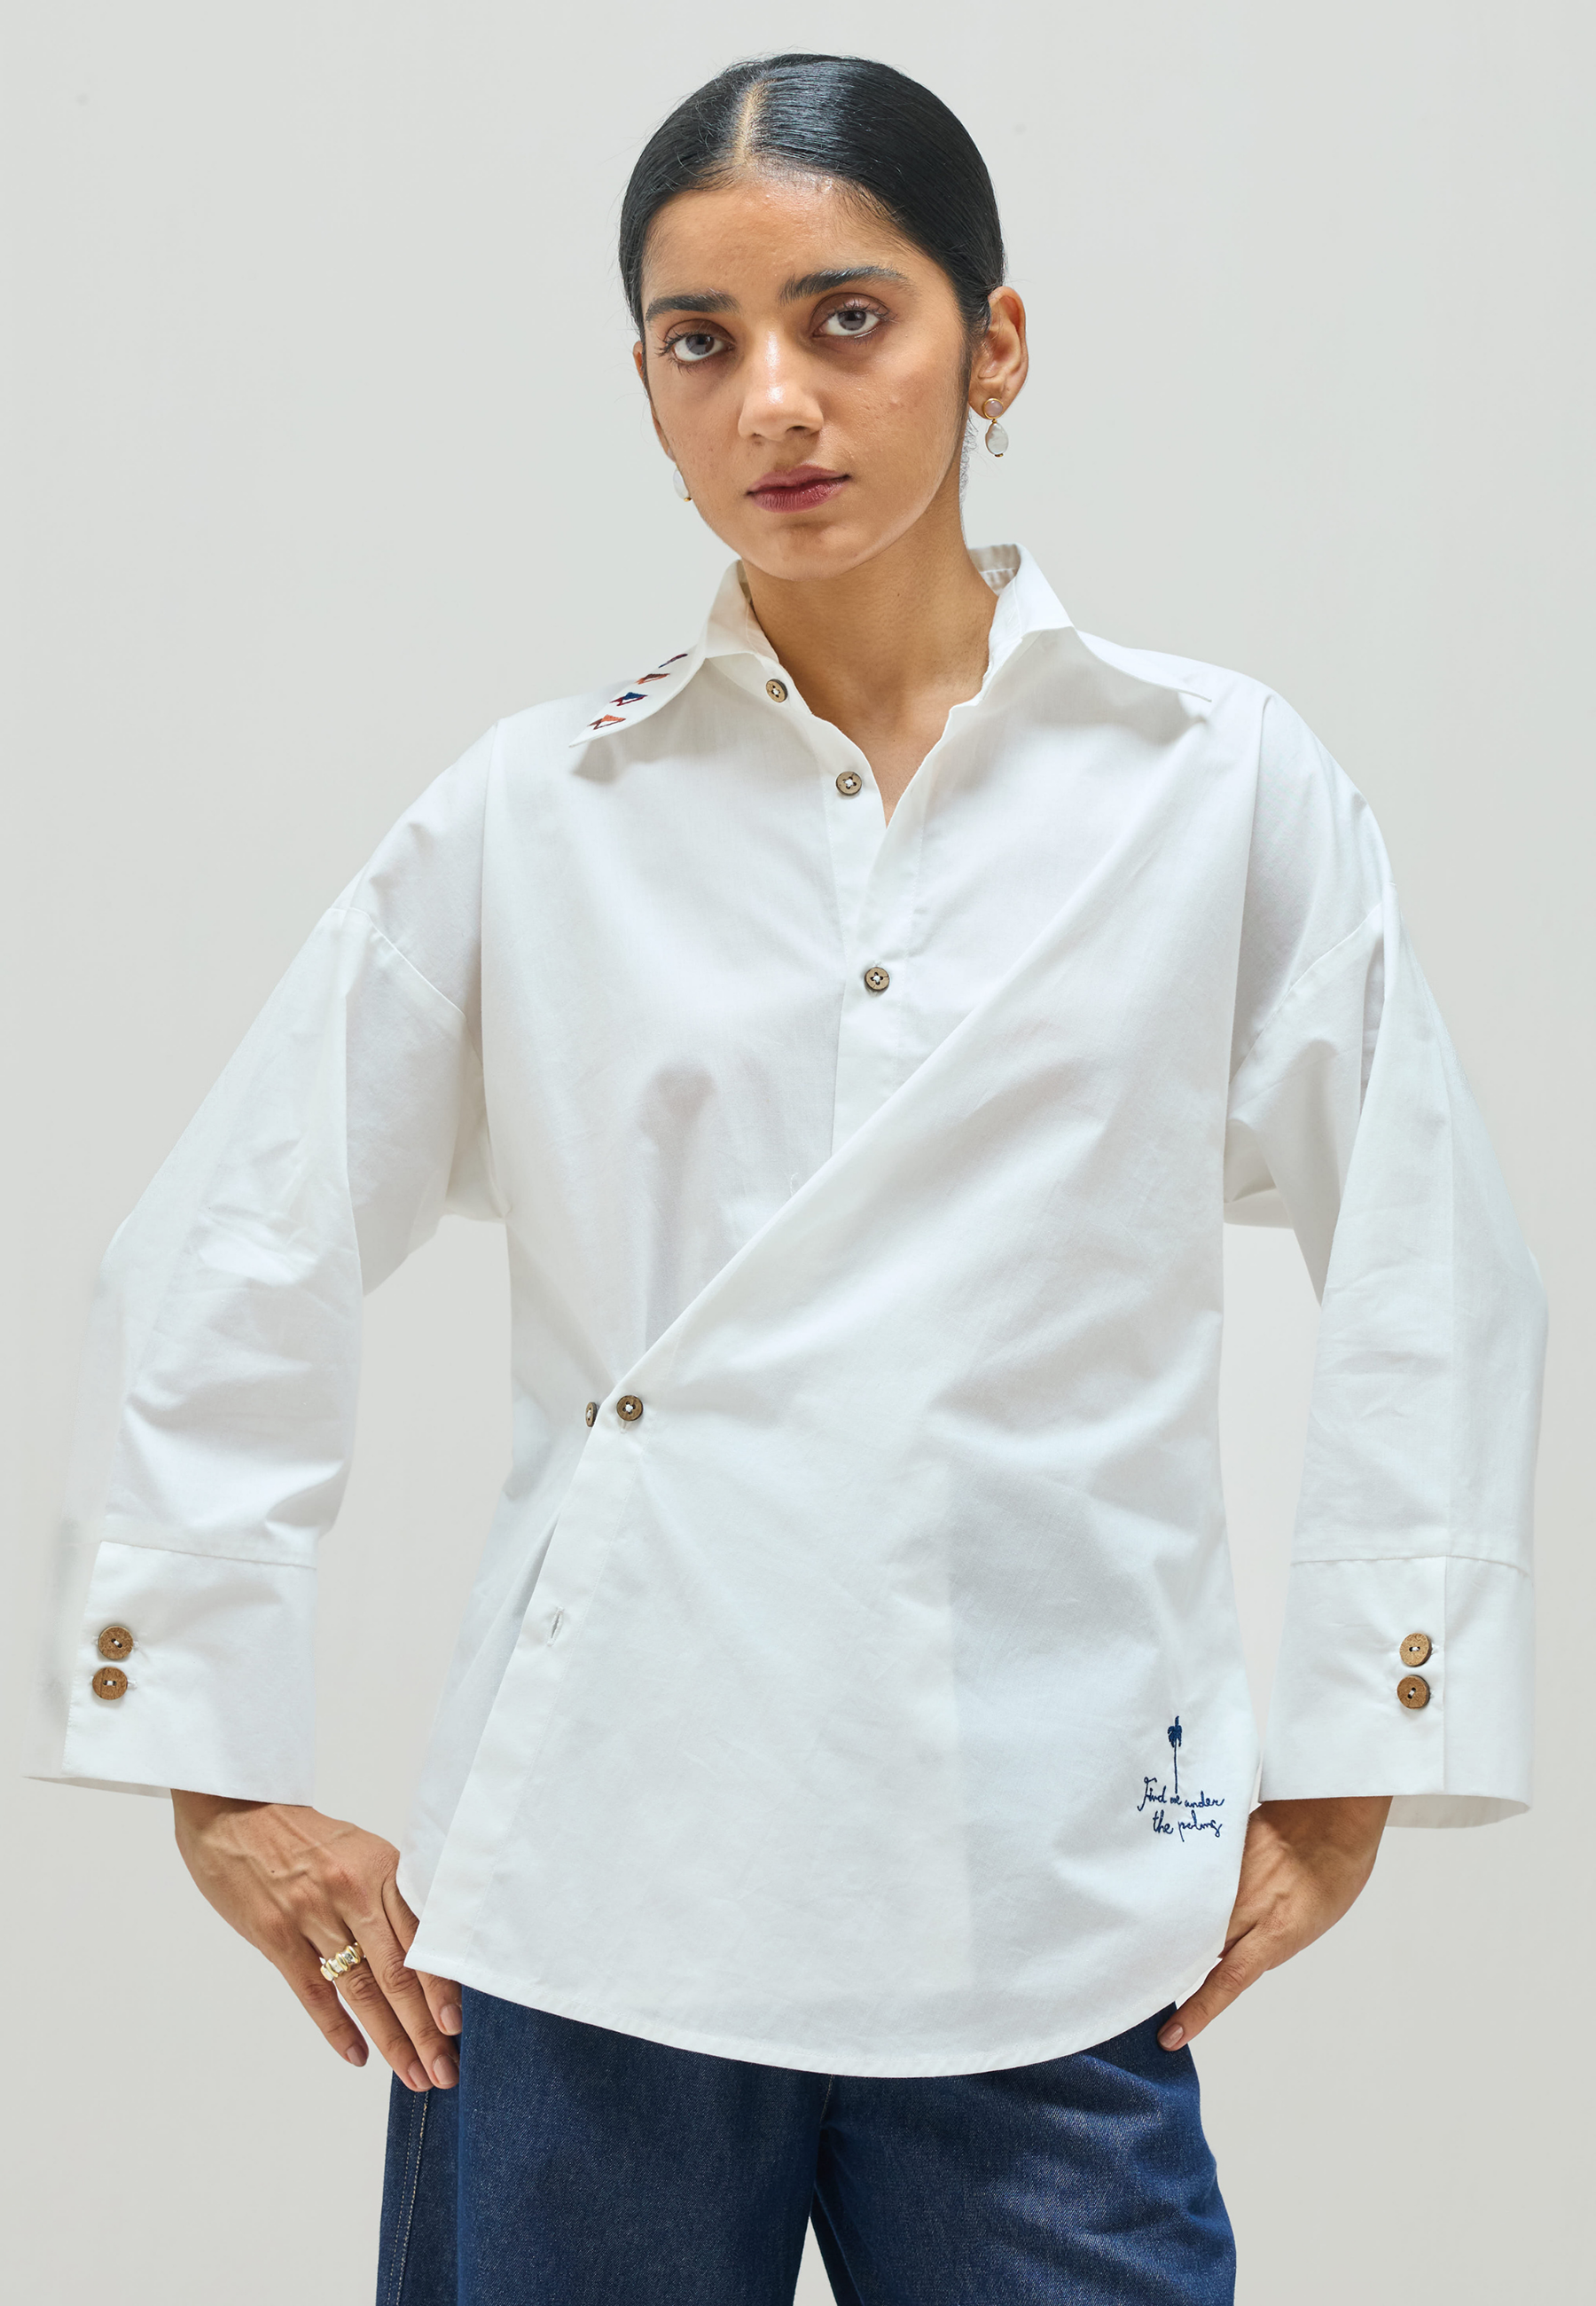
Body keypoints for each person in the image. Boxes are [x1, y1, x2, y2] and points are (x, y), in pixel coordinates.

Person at [28, 51, 1545, 2306]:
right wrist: (207, 1764)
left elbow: (1428, 1254)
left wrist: (1362, 1752)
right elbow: (233, 1242)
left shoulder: (1217, 784)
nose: (775, 404)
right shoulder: (540, 811)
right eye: (699, 340)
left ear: (992, 343)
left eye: (849, 319)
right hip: (588, 1898)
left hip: (1043, 1905)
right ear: (645, 388)